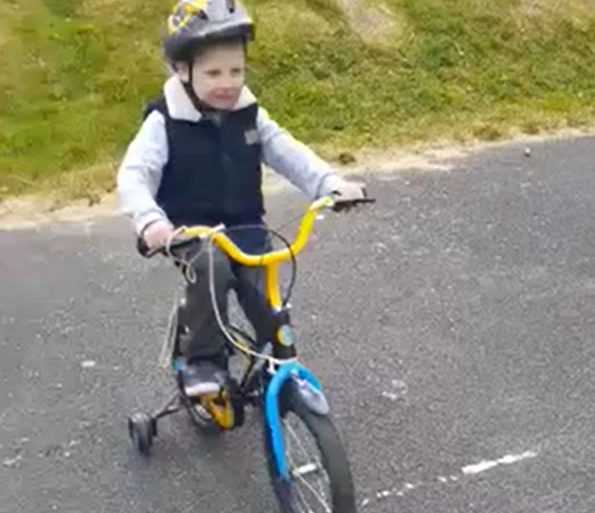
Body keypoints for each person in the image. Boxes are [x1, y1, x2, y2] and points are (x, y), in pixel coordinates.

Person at [117, 0, 366, 397]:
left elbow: (288, 152)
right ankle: (202, 360)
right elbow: (134, 176)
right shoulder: (164, 122)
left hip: (246, 226)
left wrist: (330, 184)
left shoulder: (249, 114)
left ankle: (275, 358)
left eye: (237, 71)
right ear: (182, 70)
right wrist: (152, 223)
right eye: (213, 72)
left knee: (265, 298)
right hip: (190, 233)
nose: (228, 83)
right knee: (212, 267)